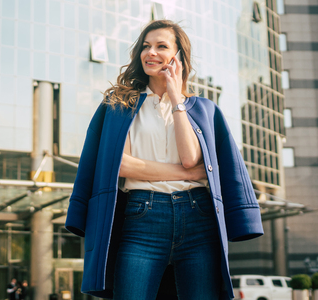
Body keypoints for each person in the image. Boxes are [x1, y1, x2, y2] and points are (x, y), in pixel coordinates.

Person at [65, 19, 264, 300]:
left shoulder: (203, 109)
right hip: (142, 217)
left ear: (178, 56)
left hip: (198, 218)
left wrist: (175, 97)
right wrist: (190, 174)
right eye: (146, 46)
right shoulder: (121, 104)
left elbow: (190, 157)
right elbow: (122, 165)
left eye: (161, 46)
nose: (151, 53)